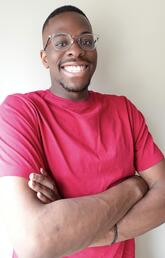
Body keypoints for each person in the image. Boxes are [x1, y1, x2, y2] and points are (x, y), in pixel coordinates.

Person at [0, 5, 165, 258]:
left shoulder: (125, 110)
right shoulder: (21, 111)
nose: (76, 50)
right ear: (44, 58)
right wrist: (133, 187)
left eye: (86, 41)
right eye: (60, 42)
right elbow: (34, 239)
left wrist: (77, 226)